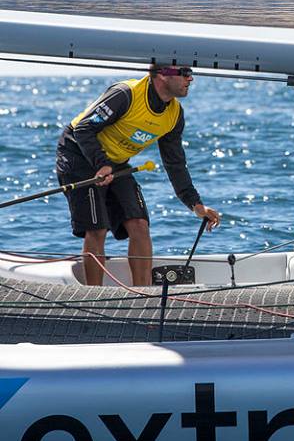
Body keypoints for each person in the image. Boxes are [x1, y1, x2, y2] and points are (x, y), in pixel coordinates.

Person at [55, 64, 220, 286]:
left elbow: (175, 164)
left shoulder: (174, 115)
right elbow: (84, 128)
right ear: (162, 74)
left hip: (116, 162)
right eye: (184, 73)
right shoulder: (126, 95)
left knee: (139, 224)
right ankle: (93, 295)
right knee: (97, 228)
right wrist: (101, 164)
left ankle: (143, 295)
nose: (190, 79)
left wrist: (195, 205)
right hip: (79, 153)